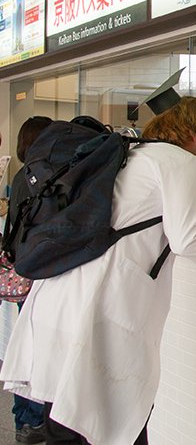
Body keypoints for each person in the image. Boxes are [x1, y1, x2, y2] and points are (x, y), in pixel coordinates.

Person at [0, 96, 196, 445]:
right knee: (108, 423)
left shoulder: (131, 156)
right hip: (99, 312)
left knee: (68, 425)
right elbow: (188, 239)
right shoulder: (180, 162)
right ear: (194, 135)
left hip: (61, 300)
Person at [6, 116, 53, 444]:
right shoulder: (42, 177)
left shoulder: (24, 176)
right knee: (38, 352)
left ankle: (26, 421)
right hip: (39, 276)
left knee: (28, 348)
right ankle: (33, 422)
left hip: (26, 271)